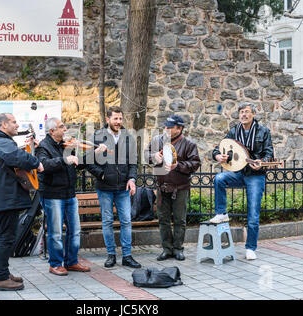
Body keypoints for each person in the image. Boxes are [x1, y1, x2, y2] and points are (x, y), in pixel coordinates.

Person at [0, 113, 44, 291]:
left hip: (3, 198)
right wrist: (36, 162)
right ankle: (0, 278)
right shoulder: (2, 142)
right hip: (5, 198)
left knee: (5, 237)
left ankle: (4, 273)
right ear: (3, 124)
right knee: (6, 238)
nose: (17, 125)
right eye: (14, 122)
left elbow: (12, 157)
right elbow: (15, 157)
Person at [211, 102, 274, 260]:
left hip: (255, 176)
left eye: (247, 112)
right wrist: (218, 156)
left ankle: (250, 248)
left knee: (253, 213)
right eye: (241, 112)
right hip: (239, 173)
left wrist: (261, 162)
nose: (243, 115)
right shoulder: (234, 131)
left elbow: (269, 153)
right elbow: (218, 148)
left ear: (253, 114)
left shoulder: (263, 131)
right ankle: (221, 213)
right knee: (219, 178)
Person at [86, 107, 141, 269]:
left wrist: (132, 178)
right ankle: (111, 255)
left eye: (120, 119)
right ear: (108, 119)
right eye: (115, 118)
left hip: (123, 188)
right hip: (104, 187)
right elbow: (88, 161)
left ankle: (127, 256)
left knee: (126, 221)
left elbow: (133, 162)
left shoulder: (128, 137)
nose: (118, 122)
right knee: (107, 221)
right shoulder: (97, 136)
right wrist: (101, 174)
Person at [35, 117, 91, 276]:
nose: (65, 129)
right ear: (52, 131)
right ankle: (55, 264)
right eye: (61, 127)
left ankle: (72, 261)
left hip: (69, 194)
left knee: (75, 230)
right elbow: (44, 165)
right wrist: (65, 159)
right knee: (56, 232)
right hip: (53, 195)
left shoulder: (66, 145)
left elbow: (76, 164)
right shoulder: (43, 147)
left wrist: (94, 153)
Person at [144, 115, 201, 261]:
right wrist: (154, 156)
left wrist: (179, 166)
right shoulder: (157, 140)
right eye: (166, 126)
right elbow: (146, 155)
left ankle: (178, 249)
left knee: (179, 220)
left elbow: (195, 163)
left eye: (170, 127)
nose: (167, 129)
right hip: (162, 186)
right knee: (163, 219)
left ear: (179, 128)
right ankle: (166, 249)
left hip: (180, 187)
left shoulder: (189, 144)